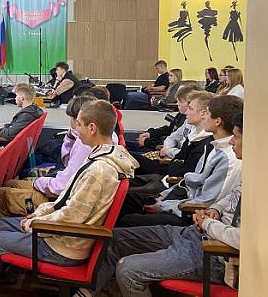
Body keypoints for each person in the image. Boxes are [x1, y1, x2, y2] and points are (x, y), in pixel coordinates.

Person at [0, 100, 138, 296]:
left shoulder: (97, 171)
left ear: (92, 128)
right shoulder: (104, 154)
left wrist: (35, 223)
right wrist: (40, 213)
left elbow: (72, 216)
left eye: (79, 124)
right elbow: (68, 200)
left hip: (64, 246)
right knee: (0, 225)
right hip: (67, 236)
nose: (76, 128)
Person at [88, 110, 243, 297]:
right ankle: (88, 292)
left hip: (217, 255)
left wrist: (208, 223)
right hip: (198, 232)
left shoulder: (234, 164)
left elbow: (245, 239)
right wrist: (215, 210)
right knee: (114, 239)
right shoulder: (249, 170)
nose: (231, 141)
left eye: (236, 137)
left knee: (128, 270)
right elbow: (229, 198)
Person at [117, 95, 242, 227]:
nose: (204, 116)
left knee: (128, 220)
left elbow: (208, 201)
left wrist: (164, 206)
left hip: (188, 214)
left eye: (207, 113)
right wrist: (164, 196)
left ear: (217, 121)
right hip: (180, 200)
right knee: (123, 198)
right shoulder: (213, 147)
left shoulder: (229, 158)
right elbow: (190, 183)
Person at [0, 95, 97, 227]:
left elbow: (60, 187)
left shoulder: (83, 145)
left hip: (55, 201)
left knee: (0, 195)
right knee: (11, 184)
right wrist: (70, 137)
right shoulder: (90, 139)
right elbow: (67, 163)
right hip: (63, 193)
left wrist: (38, 182)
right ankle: (13, 226)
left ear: (77, 120)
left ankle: (4, 232)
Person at [127, 91, 214, 196]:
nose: (186, 112)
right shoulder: (193, 135)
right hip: (168, 173)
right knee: (126, 166)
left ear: (203, 113)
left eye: (190, 109)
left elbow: (188, 176)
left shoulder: (205, 144)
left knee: (127, 193)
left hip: (172, 182)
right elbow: (173, 140)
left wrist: (168, 152)